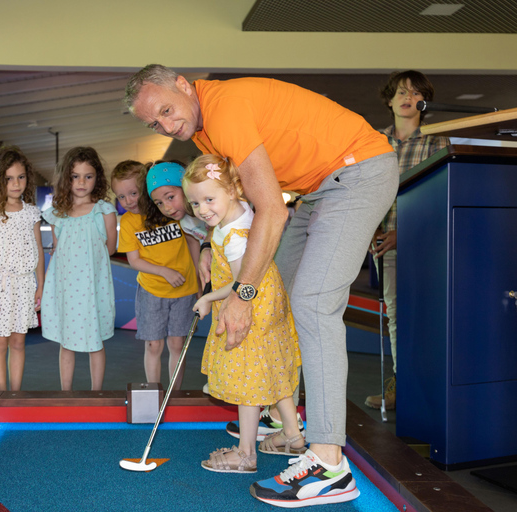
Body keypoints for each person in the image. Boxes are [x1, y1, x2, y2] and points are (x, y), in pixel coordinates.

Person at [125, 64, 398, 507]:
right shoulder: (203, 128)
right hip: (317, 188)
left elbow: (272, 211)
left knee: (311, 303)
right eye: (155, 124)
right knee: (281, 293)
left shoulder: (225, 109)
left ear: (182, 84)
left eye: (168, 112)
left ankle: (329, 464)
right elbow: (245, 201)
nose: (168, 126)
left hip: (357, 171)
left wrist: (241, 293)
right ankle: (277, 415)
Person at [183, 154, 303, 474]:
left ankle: (246, 454)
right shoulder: (240, 213)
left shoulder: (235, 237)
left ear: (233, 189)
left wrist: (208, 297)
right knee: (273, 363)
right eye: (194, 203)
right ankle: (292, 435)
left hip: (252, 304)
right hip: (271, 299)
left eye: (209, 199)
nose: (203, 209)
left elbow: (240, 285)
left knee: (247, 374)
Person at [365, 70, 450, 411]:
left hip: (428, 245)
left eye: (415, 93)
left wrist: (407, 232)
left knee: (429, 315)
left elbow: (442, 198)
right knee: (398, 316)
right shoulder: (372, 142)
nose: (406, 97)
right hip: (383, 243)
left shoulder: (437, 142)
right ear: (389, 99)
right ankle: (405, 389)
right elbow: (363, 191)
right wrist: (368, 226)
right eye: (400, 91)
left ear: (424, 101)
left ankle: (427, 390)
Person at [112, 160, 199, 389]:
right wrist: (164, 272)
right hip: (152, 291)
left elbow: (193, 244)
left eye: (133, 193)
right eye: (121, 197)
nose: (128, 201)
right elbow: (134, 260)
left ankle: (174, 394)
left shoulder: (171, 212)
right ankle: (153, 392)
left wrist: (199, 286)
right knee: (153, 346)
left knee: (177, 344)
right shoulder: (130, 222)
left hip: (184, 289)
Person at [41, 147, 117, 391]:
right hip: (66, 288)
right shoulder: (57, 214)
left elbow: (111, 249)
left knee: (95, 342)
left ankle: (97, 393)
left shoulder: (104, 210)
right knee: (66, 342)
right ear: (66, 178)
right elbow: (57, 247)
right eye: (75, 176)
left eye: (88, 176)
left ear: (97, 178)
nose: (82, 182)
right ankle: (66, 392)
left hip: (93, 287)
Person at [0, 145, 45, 391]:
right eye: (9, 179)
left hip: (24, 285)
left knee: (18, 342)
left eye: (21, 177)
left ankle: (16, 393)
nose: (16, 184)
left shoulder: (31, 213)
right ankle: (1, 394)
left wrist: (40, 287)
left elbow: (38, 252)